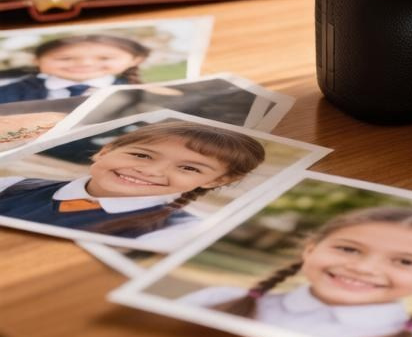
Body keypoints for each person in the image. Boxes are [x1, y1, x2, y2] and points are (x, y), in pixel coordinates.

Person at [181, 206, 412, 337]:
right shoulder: (216, 299)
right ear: (310, 249)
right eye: (348, 249)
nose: (362, 268)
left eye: (406, 262)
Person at [0, 119, 265, 250]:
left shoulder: (176, 232)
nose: (150, 170)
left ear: (217, 180)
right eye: (141, 155)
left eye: (189, 168)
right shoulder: (13, 186)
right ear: (105, 151)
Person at [0, 35, 151, 104]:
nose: (85, 64)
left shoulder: (138, 94)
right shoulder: (9, 92)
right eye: (65, 58)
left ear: (135, 60)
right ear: (36, 61)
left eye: (104, 58)